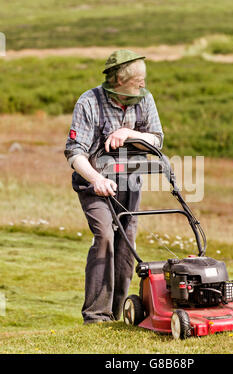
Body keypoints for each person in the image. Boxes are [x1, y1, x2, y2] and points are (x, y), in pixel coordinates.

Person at [64, 50, 164, 324]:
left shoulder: (145, 99)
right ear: (120, 81)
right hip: (93, 184)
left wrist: (130, 133)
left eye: (144, 79)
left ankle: (117, 314)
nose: (143, 85)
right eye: (138, 80)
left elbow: (157, 140)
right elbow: (75, 153)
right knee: (106, 236)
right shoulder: (89, 102)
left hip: (129, 182)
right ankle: (96, 316)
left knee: (126, 241)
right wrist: (96, 179)